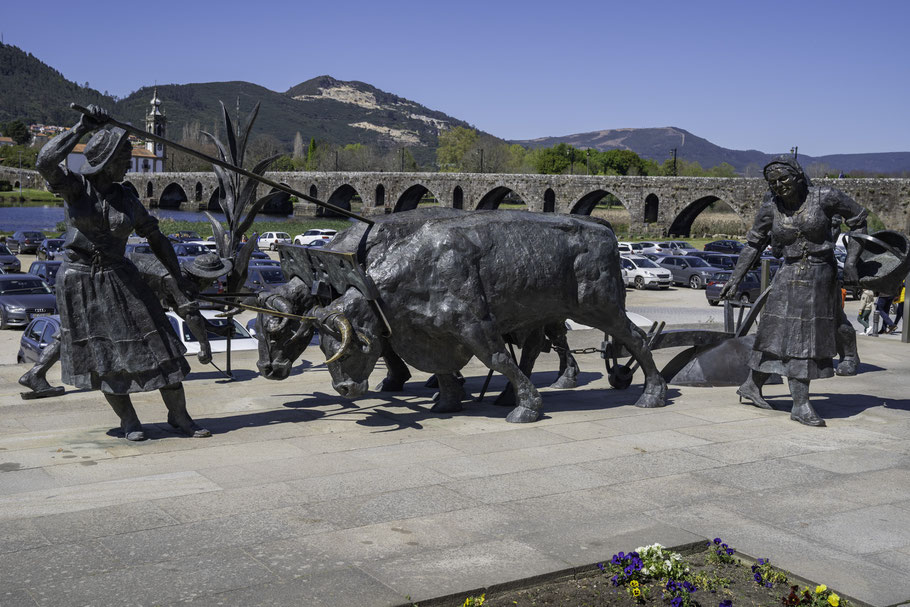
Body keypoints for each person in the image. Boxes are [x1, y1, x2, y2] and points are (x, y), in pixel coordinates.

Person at [34, 105, 209, 441]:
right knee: (103, 356)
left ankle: (180, 415)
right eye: (125, 157)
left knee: (161, 344)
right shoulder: (75, 188)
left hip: (120, 274)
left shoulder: (126, 197)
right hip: (80, 281)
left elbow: (154, 235)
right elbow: (44, 162)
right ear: (107, 159)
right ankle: (129, 421)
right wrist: (80, 128)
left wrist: (178, 277)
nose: (130, 164)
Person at [720, 156, 867, 427]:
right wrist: (735, 278)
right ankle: (763, 390)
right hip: (787, 274)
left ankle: (797, 400)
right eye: (773, 182)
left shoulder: (825, 197)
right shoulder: (770, 208)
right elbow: (754, 244)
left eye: (784, 179)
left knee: (804, 338)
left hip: (820, 274)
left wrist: (851, 262)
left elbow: (858, 221)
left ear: (798, 176)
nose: (779, 186)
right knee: (774, 334)